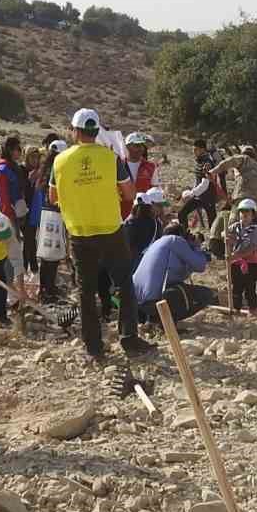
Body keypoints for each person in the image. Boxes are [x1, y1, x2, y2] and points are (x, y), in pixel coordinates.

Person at [50, 108, 154, 359]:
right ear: (96, 131)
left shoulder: (60, 161)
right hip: (110, 229)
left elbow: (52, 197)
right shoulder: (111, 158)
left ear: (75, 131)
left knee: (86, 290)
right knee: (124, 284)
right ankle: (129, 339)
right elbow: (129, 194)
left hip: (79, 232)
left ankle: (93, 346)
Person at [133, 223, 215, 322]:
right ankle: (163, 321)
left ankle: (152, 318)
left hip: (136, 303)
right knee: (206, 294)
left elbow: (174, 274)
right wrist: (197, 247)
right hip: (155, 303)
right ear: (180, 234)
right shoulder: (175, 240)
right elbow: (200, 266)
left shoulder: (157, 243)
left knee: (178, 288)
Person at [32, 140, 69, 302]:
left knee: (47, 254)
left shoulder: (44, 171)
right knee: (53, 254)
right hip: (56, 215)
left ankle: (45, 288)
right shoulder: (59, 170)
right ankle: (48, 290)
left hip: (45, 216)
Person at [227, 200, 257, 315]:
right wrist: (227, 237)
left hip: (251, 263)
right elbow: (225, 233)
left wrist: (236, 256)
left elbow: (252, 248)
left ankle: (253, 310)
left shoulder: (255, 230)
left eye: (247, 212)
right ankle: (236, 309)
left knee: (250, 289)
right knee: (236, 288)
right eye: (242, 211)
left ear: (252, 214)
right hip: (236, 263)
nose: (244, 214)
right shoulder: (236, 226)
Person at [176, 138, 219, 231]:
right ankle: (184, 235)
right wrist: (192, 192)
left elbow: (205, 184)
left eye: (196, 149)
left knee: (213, 225)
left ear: (202, 149)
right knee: (181, 214)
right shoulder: (199, 161)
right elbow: (197, 180)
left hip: (208, 197)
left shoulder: (207, 163)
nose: (194, 152)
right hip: (198, 196)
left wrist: (191, 194)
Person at [124, 188, 169, 263]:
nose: (162, 209)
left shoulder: (157, 222)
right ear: (151, 204)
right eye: (159, 205)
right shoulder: (134, 222)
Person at [123, 133, 159, 218]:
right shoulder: (118, 165)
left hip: (143, 213)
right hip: (122, 211)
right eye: (137, 145)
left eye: (142, 146)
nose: (141, 149)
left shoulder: (151, 167)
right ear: (127, 147)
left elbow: (155, 189)